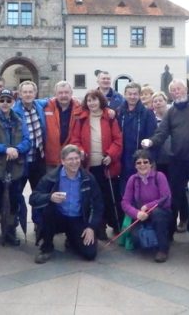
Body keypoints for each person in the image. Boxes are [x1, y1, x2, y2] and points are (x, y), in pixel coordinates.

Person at [142, 79, 189, 234]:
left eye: (179, 89)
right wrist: (151, 142)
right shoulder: (171, 112)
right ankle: (169, 234)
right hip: (177, 160)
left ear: (186, 89)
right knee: (175, 196)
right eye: (173, 90)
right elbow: (161, 133)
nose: (177, 92)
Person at [30, 144, 103, 264]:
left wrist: (91, 227)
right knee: (48, 211)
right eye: (70, 159)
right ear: (63, 161)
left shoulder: (88, 179)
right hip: (57, 217)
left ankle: (72, 238)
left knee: (90, 254)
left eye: (76, 158)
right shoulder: (51, 177)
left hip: (78, 218)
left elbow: (98, 205)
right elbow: (33, 198)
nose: (74, 162)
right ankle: (47, 247)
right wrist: (50, 197)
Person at [70, 89, 123, 240]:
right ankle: (97, 227)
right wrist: (80, 151)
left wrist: (111, 155)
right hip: (88, 165)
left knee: (107, 196)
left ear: (100, 101)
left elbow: (118, 140)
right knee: (93, 198)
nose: (92, 103)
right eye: (89, 100)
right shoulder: (81, 118)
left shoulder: (110, 117)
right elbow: (75, 140)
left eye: (94, 100)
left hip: (105, 164)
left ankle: (112, 224)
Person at [0, 88, 31, 247]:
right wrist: (4, 149)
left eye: (8, 100)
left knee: (14, 201)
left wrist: (17, 150)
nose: (4, 103)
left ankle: (10, 232)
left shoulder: (19, 121)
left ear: (13, 102)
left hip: (15, 167)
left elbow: (27, 141)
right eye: (2, 100)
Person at [120, 150, 172, 262]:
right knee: (136, 238)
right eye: (138, 163)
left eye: (145, 162)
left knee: (158, 214)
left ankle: (163, 249)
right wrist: (136, 213)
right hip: (142, 215)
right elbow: (125, 202)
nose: (142, 165)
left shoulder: (160, 176)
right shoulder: (132, 180)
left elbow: (166, 198)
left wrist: (147, 207)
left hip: (161, 213)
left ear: (151, 164)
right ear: (135, 165)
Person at [116, 82, 157, 193]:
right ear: (124, 94)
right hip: (123, 158)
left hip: (140, 158)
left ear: (139, 95)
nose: (132, 97)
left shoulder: (147, 113)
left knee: (142, 191)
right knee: (125, 191)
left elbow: (152, 136)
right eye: (130, 94)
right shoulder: (119, 113)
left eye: (135, 94)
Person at [12, 80, 49, 191]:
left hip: (39, 158)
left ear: (35, 93)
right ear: (20, 94)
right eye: (25, 92)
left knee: (38, 193)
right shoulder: (14, 112)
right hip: (22, 160)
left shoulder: (39, 105)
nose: (28, 94)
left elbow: (53, 100)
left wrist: (74, 100)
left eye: (30, 92)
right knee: (17, 193)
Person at [43, 80, 81, 171]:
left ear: (71, 93)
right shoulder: (46, 106)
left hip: (71, 158)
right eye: (60, 93)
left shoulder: (79, 107)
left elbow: (96, 107)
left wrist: (109, 111)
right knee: (52, 184)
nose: (63, 95)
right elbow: (30, 102)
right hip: (50, 158)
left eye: (66, 92)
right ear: (55, 94)